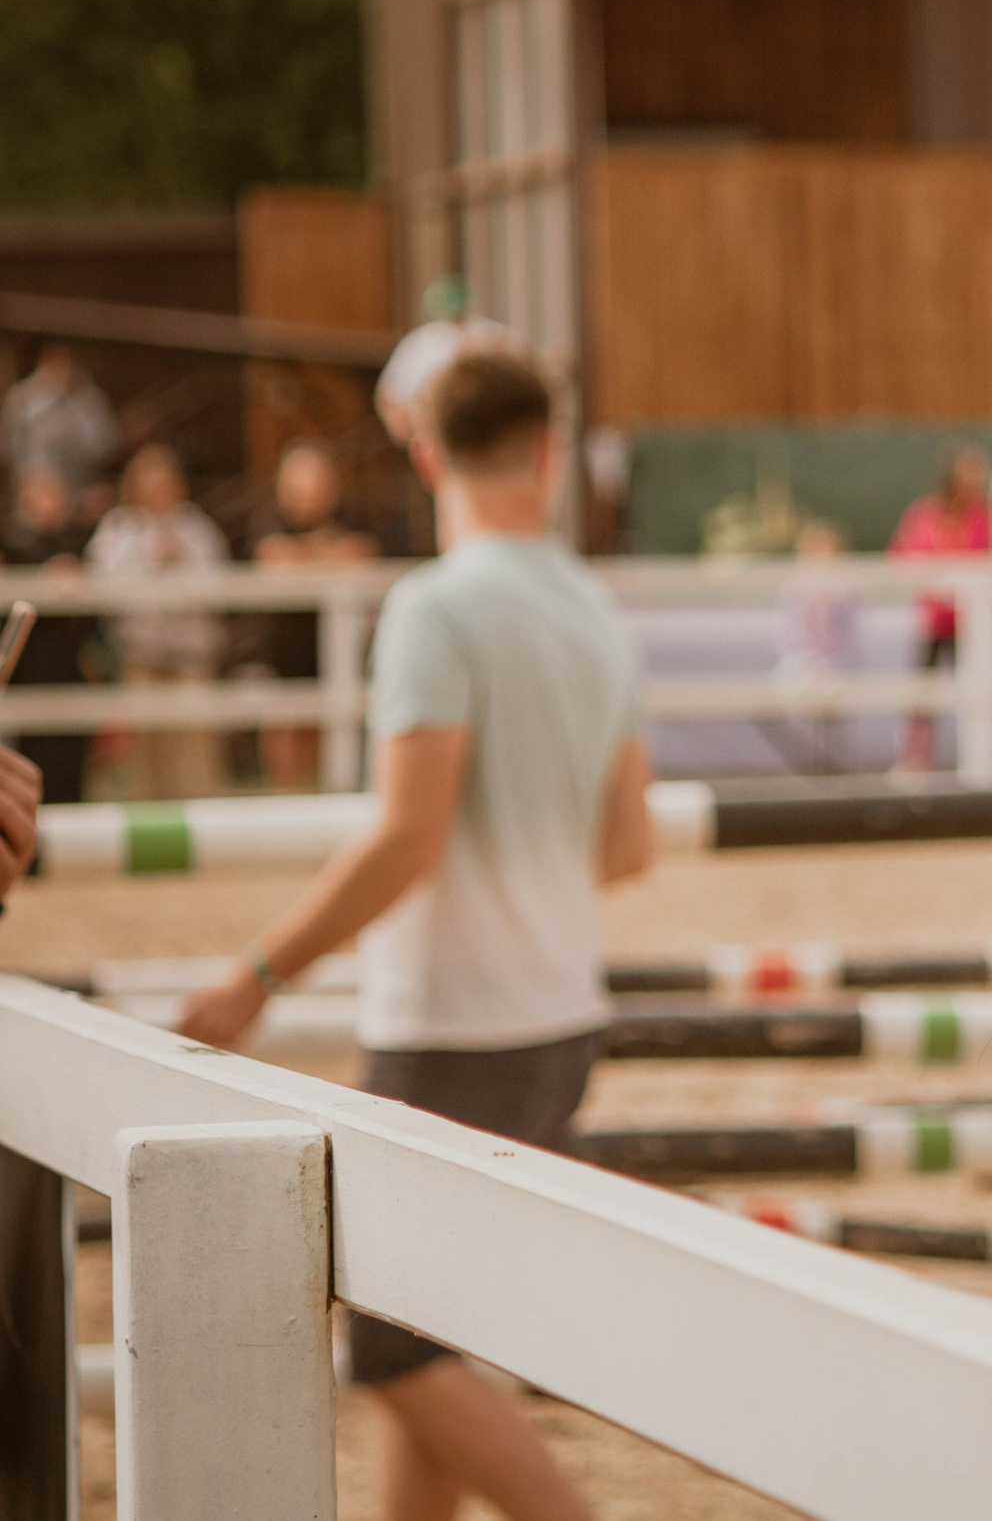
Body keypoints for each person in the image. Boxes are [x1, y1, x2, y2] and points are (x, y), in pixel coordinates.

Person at [179, 348, 649, 1521]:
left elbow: (407, 837)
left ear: (426, 453)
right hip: (559, 1015)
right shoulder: (595, 607)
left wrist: (255, 974)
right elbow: (626, 846)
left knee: (390, 1353)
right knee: (434, 1334)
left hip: (453, 1020)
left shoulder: (434, 609)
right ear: (546, 451)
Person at [86, 444, 230, 800]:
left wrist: (180, 559)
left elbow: (222, 585)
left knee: (193, 740)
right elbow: (103, 585)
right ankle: (145, 818)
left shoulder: (196, 528)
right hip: (141, 652)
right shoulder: (119, 528)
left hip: (190, 654)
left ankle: (201, 815)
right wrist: (148, 561)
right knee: (142, 743)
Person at [254, 440, 379, 790]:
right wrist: (328, 555)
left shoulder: (353, 514)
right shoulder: (269, 518)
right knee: (287, 729)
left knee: (337, 729)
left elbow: (362, 556)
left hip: (339, 648)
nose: (309, 495)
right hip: (286, 648)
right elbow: (273, 559)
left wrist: (306, 557)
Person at [886, 444, 992, 770]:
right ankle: (914, 760)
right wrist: (932, 584)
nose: (971, 481)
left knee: (982, 694)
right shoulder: (925, 514)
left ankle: (982, 764)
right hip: (934, 622)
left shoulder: (986, 517)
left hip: (973, 627)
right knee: (923, 696)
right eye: (965, 474)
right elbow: (900, 559)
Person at [2, 464, 100, 801]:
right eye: (41, 497)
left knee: (72, 755)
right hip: (30, 668)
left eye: (54, 497)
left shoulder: (78, 543)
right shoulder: (13, 545)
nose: (49, 504)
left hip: (70, 666)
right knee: (30, 755)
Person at [375, 276, 514, 446]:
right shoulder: (420, 342)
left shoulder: (494, 337)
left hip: (494, 437)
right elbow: (389, 397)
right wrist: (408, 426)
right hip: (434, 437)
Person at [1, 343, 120, 514]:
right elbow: (7, 447)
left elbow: (106, 447)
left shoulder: (89, 401)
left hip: (77, 484)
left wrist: (69, 434)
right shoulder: (21, 398)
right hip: (30, 482)